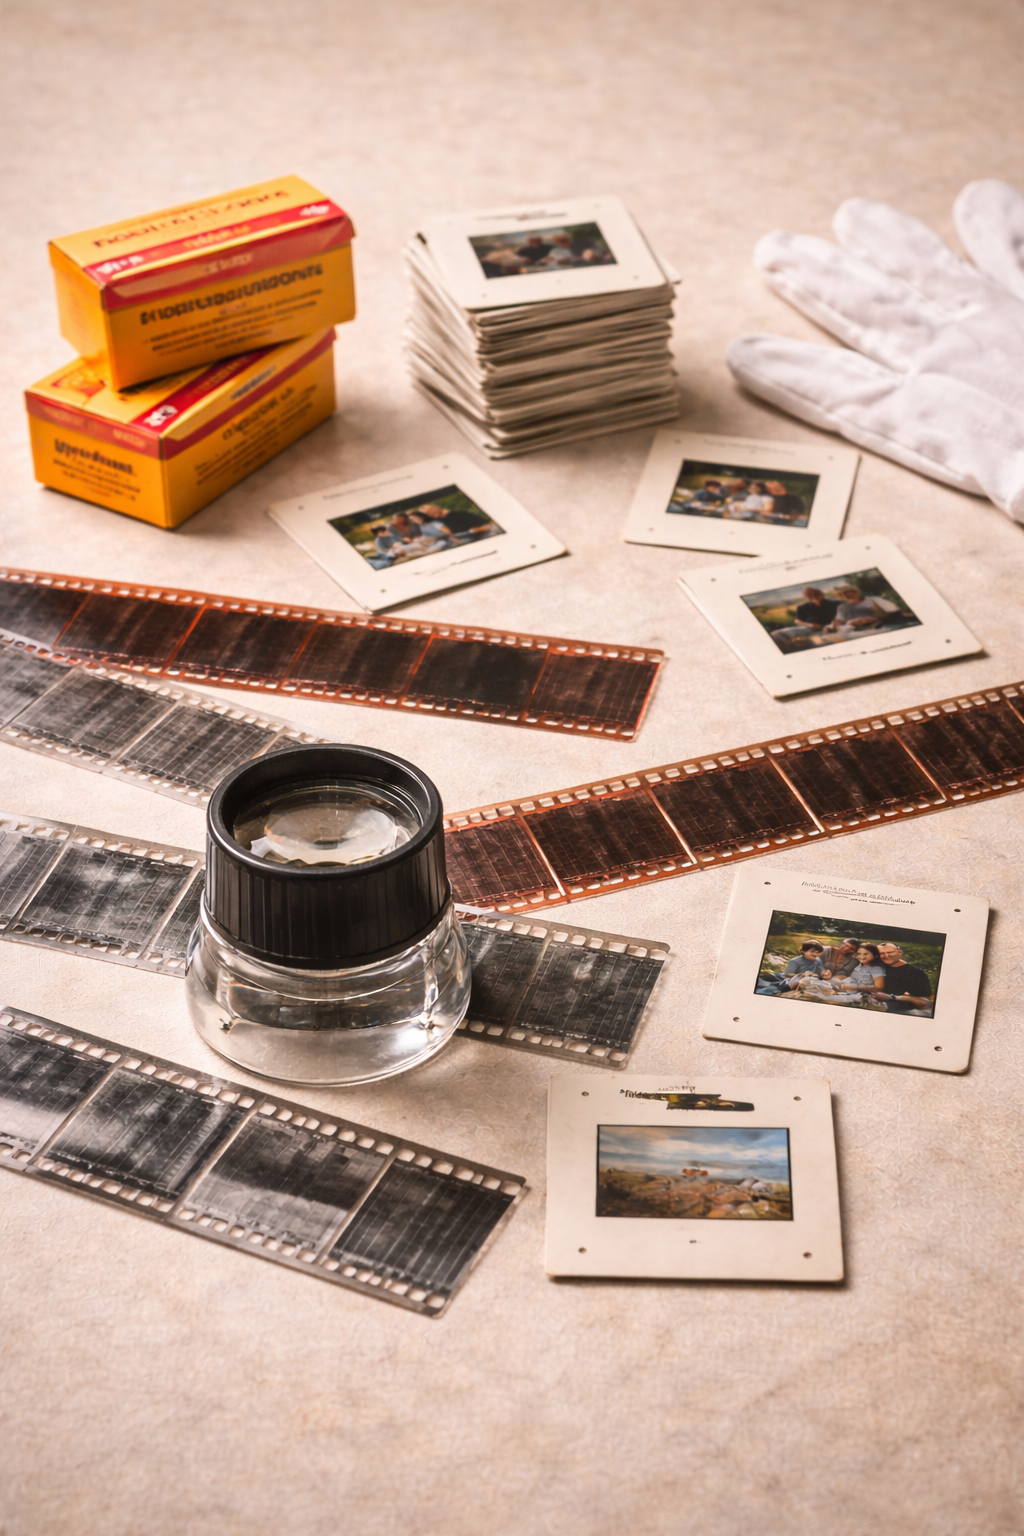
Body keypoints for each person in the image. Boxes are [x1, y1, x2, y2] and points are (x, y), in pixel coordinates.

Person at [766, 586, 839, 649]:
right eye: (809, 595)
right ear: (807, 597)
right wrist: (809, 625)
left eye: (815, 594)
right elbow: (797, 621)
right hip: (809, 628)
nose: (813, 596)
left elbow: (843, 615)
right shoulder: (802, 607)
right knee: (778, 633)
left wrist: (835, 622)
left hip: (830, 626)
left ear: (821, 594)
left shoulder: (834, 604)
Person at [823, 584, 906, 635]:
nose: (844, 596)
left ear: (855, 592)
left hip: (883, 628)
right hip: (858, 633)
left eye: (846, 592)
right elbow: (839, 621)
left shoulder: (875, 600)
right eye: (840, 594)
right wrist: (830, 626)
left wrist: (877, 620)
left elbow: (896, 613)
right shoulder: (842, 607)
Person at [877, 942, 934, 1014]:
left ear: (900, 953)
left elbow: (925, 1002)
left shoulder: (916, 973)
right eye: (881, 953)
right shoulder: (876, 968)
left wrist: (895, 997)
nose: (886, 955)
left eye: (890, 952)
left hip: (902, 1010)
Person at [757, 941, 825, 994]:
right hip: (790, 978)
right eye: (812, 952)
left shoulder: (817, 960)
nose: (815, 954)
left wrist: (822, 974)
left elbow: (820, 972)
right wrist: (802, 975)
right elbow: (787, 975)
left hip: (808, 979)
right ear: (803, 951)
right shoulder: (795, 961)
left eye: (818, 952)